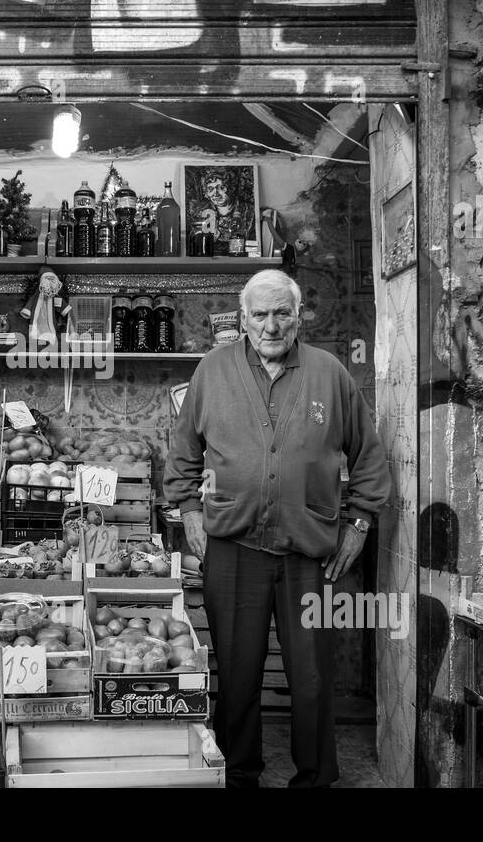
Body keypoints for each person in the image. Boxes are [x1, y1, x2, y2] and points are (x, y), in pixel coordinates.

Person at [164, 269, 390, 788]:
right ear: (244, 318)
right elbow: (183, 453)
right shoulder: (212, 371)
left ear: (299, 315)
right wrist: (190, 512)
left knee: (310, 677)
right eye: (260, 314)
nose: (271, 325)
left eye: (281, 313)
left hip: (307, 550)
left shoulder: (330, 374)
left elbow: (370, 457)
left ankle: (314, 777)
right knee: (237, 674)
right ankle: (239, 773)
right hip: (233, 546)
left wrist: (357, 523)